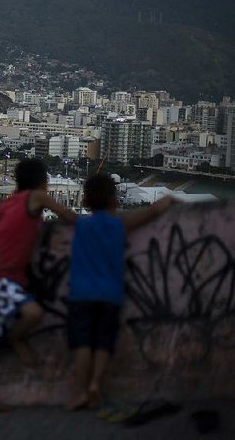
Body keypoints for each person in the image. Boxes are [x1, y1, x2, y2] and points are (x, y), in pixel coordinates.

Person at [0, 158, 77, 413]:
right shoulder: (36, 198)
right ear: (42, 182)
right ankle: (16, 338)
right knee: (33, 313)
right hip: (3, 278)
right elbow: (68, 217)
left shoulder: (10, 206)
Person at [64, 174, 175, 411]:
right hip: (110, 294)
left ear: (86, 201)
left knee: (83, 344)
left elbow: (56, 210)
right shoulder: (120, 225)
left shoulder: (80, 224)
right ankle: (96, 385)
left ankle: (82, 391)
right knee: (104, 343)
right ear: (114, 199)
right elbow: (156, 210)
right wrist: (173, 200)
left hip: (81, 293)